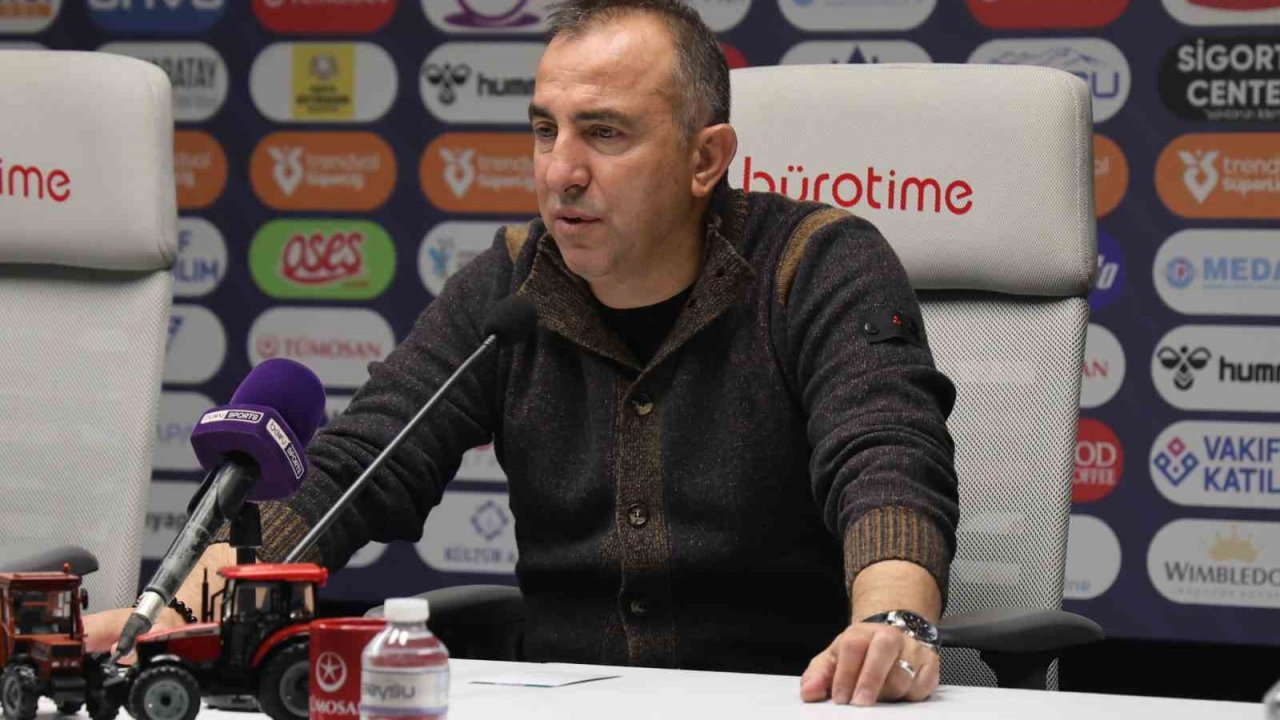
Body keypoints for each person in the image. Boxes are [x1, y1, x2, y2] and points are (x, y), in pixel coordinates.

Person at [87, 0, 959, 706]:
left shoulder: (817, 265)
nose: (560, 172)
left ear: (706, 160)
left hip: (785, 698)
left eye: (604, 134)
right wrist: (173, 611)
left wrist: (893, 620)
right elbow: (359, 467)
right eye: (546, 130)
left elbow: (885, 461)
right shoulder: (509, 284)